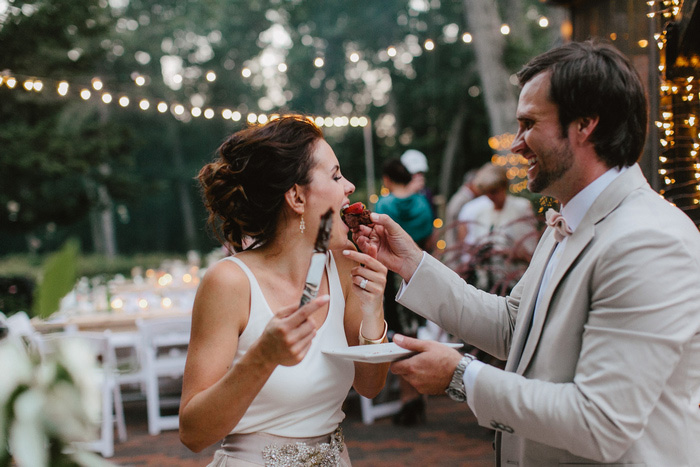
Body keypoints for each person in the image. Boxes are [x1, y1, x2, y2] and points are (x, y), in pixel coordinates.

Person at [351, 40, 700, 465]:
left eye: (529, 124)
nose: (516, 144)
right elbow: (514, 327)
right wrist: (410, 262)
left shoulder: (649, 241)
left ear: (585, 124)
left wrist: (462, 376)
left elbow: (602, 422)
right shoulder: (565, 223)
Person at [180, 115, 389, 466]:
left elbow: (370, 386)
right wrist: (263, 357)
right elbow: (193, 434)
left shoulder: (345, 268)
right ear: (295, 196)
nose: (349, 186)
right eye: (336, 175)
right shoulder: (230, 282)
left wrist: (373, 307)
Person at [374, 157, 433, 425]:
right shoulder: (421, 203)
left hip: (393, 274)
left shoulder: (384, 205)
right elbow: (430, 237)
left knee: (398, 338)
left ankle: (408, 400)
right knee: (414, 335)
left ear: (387, 178)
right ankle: (419, 395)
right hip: (418, 273)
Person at [456, 163, 539, 292]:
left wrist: (509, 253)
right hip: (487, 284)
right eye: (486, 193)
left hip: (516, 284)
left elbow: (533, 255)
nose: (490, 197)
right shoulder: (481, 212)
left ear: (503, 186)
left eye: (494, 191)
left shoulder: (521, 209)